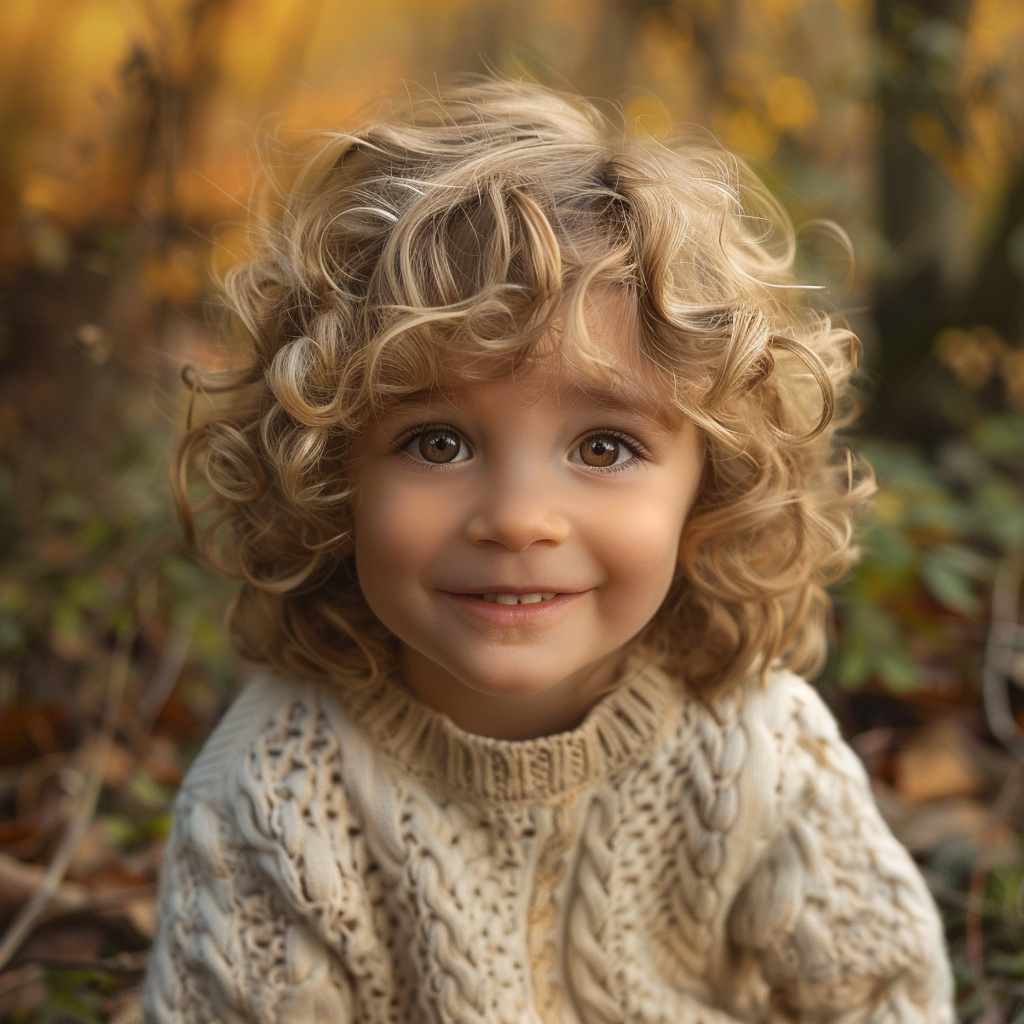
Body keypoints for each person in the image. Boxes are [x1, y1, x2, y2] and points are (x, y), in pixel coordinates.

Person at [144, 78, 955, 1023]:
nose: (520, 518)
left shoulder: (754, 748)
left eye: (604, 448)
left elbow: (883, 999)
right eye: (437, 442)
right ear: (329, 474)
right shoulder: (280, 794)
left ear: (713, 483)